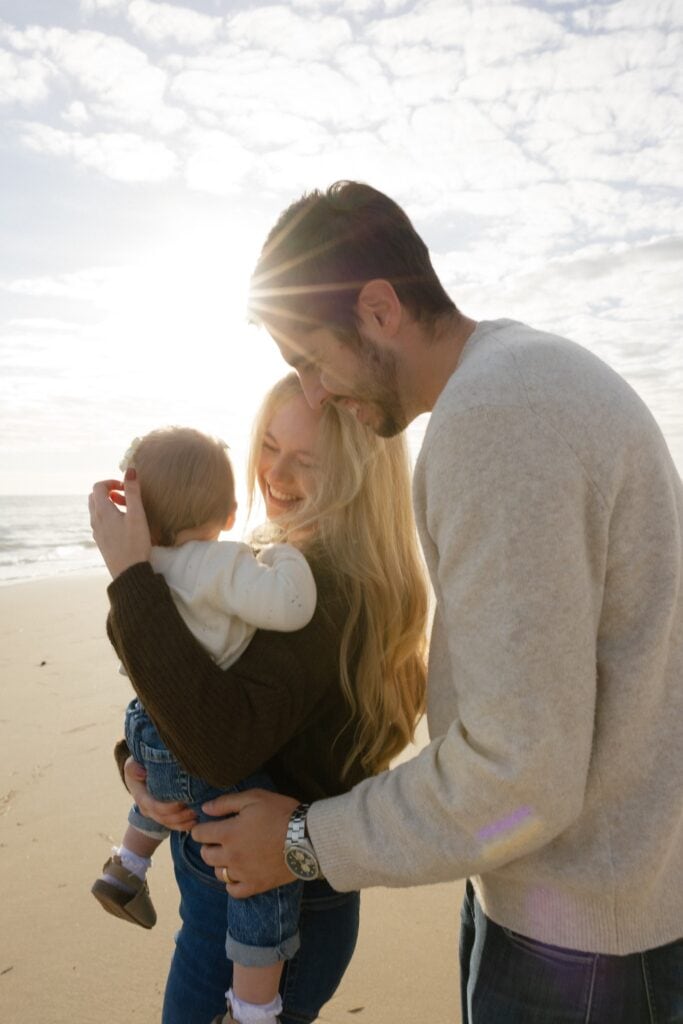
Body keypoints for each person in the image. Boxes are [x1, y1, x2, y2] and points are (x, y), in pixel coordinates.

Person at [188, 181, 680, 1022]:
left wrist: (305, 843)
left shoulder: (499, 416)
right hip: (588, 899)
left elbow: (518, 771)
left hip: (582, 945)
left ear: (379, 309)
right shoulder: (525, 378)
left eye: (309, 360)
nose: (311, 394)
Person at [89, 373, 428, 1024]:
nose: (274, 472)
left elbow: (220, 744)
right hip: (240, 881)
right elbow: (198, 687)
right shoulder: (283, 565)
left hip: (274, 905)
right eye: (269, 445)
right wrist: (144, 768)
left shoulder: (322, 590)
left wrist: (133, 579)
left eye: (305, 460)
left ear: (358, 475)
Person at [92, 425, 318, 1024]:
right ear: (228, 510)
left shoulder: (143, 569)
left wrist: (134, 764)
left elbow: (139, 659)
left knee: (165, 778)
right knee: (261, 875)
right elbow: (291, 607)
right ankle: (252, 1007)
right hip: (199, 755)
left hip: (148, 728)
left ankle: (128, 865)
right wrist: (284, 551)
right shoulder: (219, 565)